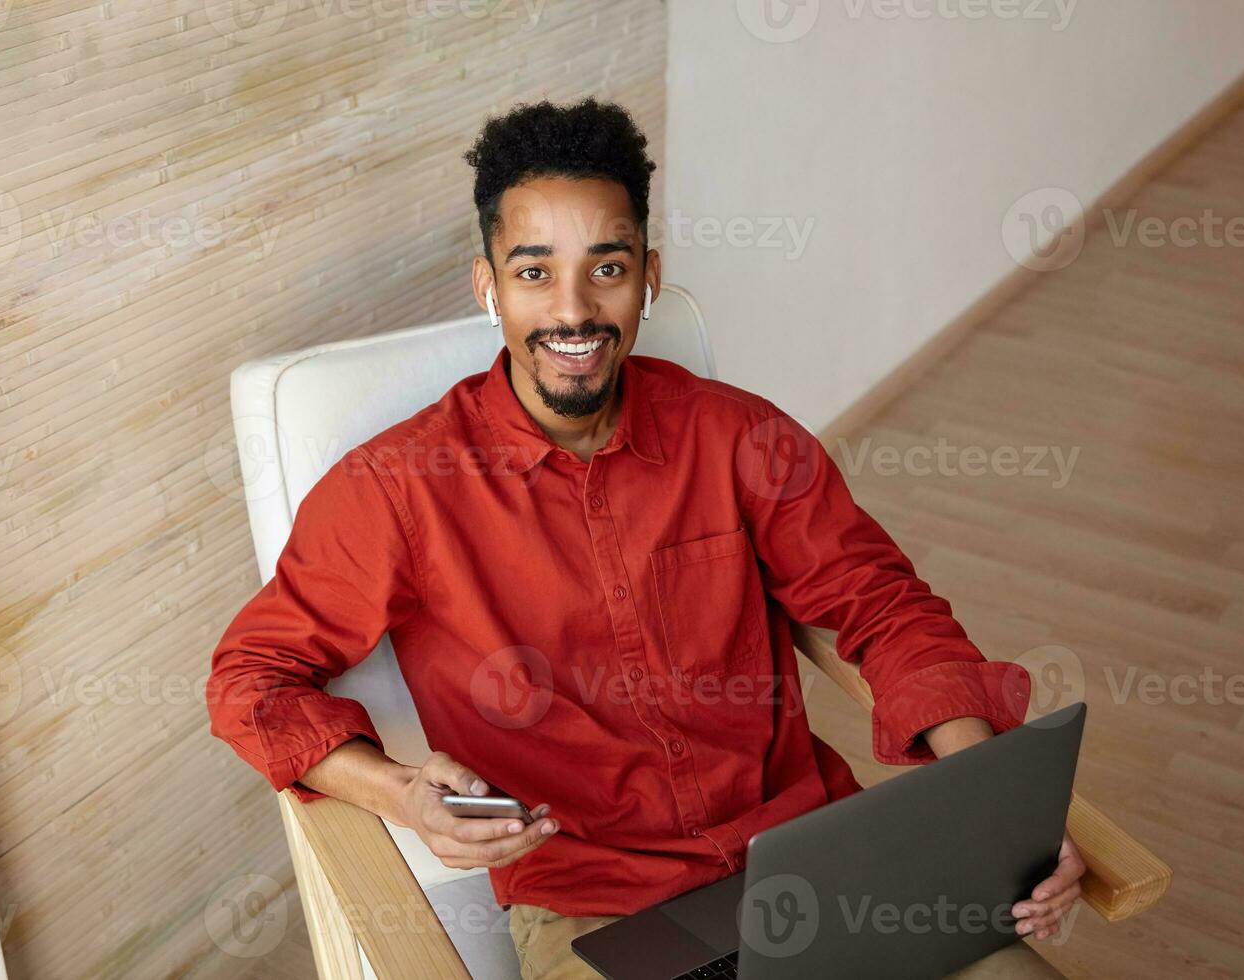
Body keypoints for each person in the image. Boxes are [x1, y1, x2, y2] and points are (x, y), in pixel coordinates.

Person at [206, 97, 1083, 980]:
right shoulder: (397, 489)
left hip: (815, 861)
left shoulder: (741, 436)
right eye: (535, 273)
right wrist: (400, 793)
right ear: (489, 287)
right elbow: (252, 680)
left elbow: (885, 607)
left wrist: (992, 818)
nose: (574, 312)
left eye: (608, 268)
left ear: (648, 277)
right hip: (599, 912)